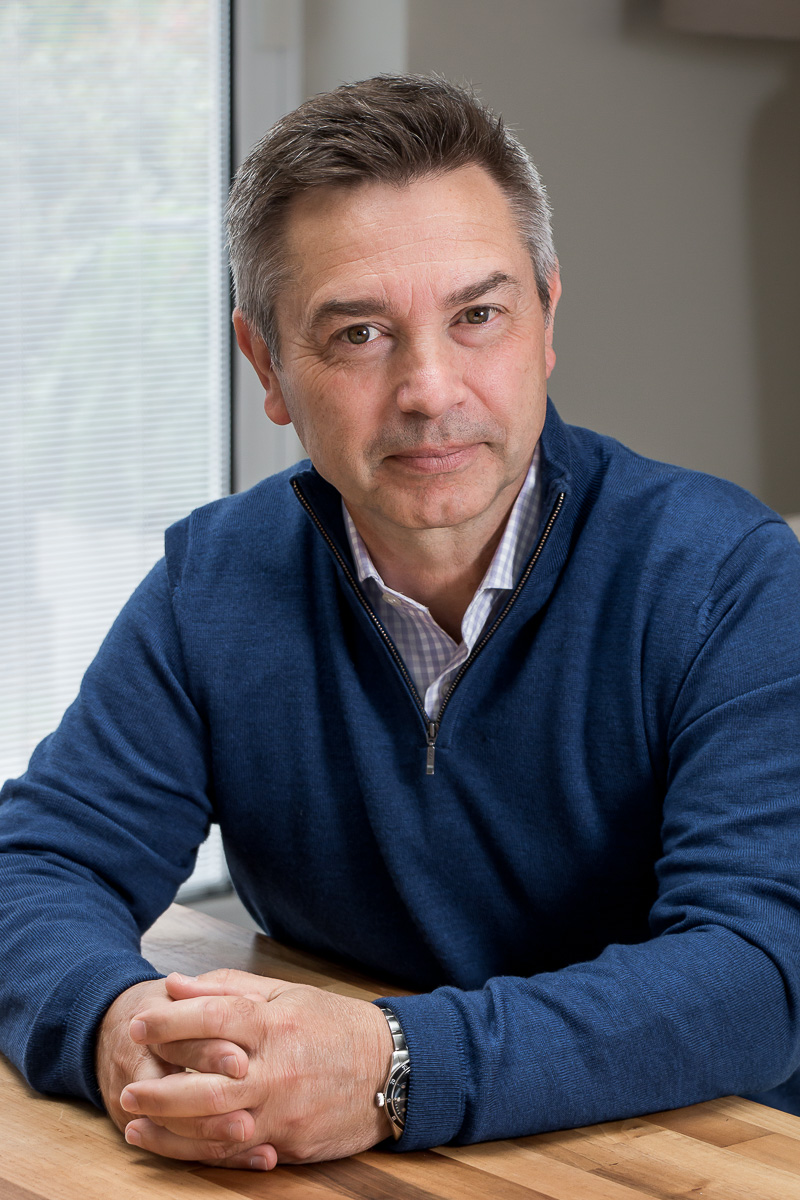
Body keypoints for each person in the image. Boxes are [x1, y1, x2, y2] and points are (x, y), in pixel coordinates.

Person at [1, 74, 799, 1174]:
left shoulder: (727, 580)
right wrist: (110, 1025)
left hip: (682, 1159)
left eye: (477, 316)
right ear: (265, 367)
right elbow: (37, 864)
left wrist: (392, 1066)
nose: (429, 388)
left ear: (546, 322)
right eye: (361, 333)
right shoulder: (213, 586)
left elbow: (756, 972)